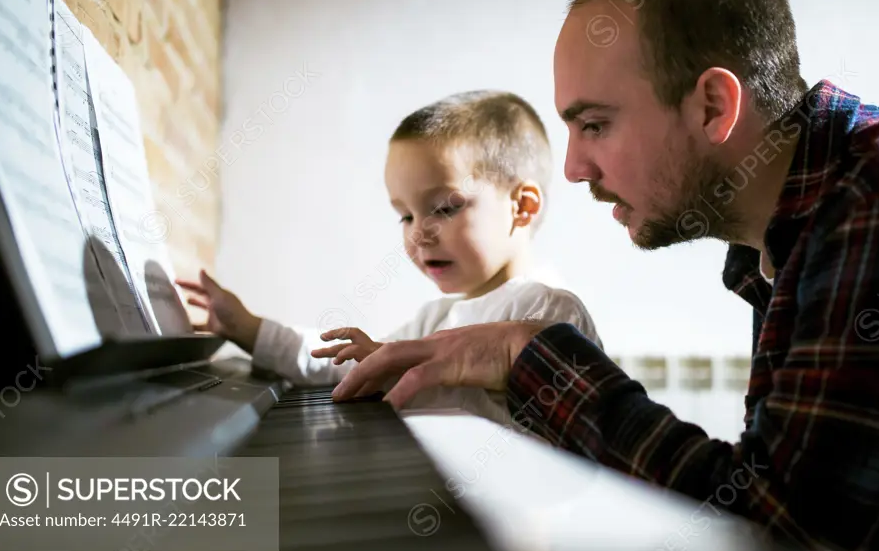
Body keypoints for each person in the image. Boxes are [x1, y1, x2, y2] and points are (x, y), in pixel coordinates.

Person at [328, 0, 879, 551]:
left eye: (594, 124)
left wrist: (526, 354)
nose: (573, 169)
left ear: (713, 105)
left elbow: (783, 540)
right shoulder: (790, 236)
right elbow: (762, 498)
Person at [177, 89, 602, 425]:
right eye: (404, 215)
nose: (419, 232)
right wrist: (248, 328)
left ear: (522, 206)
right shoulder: (436, 318)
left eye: (446, 207)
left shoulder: (550, 312)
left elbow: (570, 443)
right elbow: (345, 366)